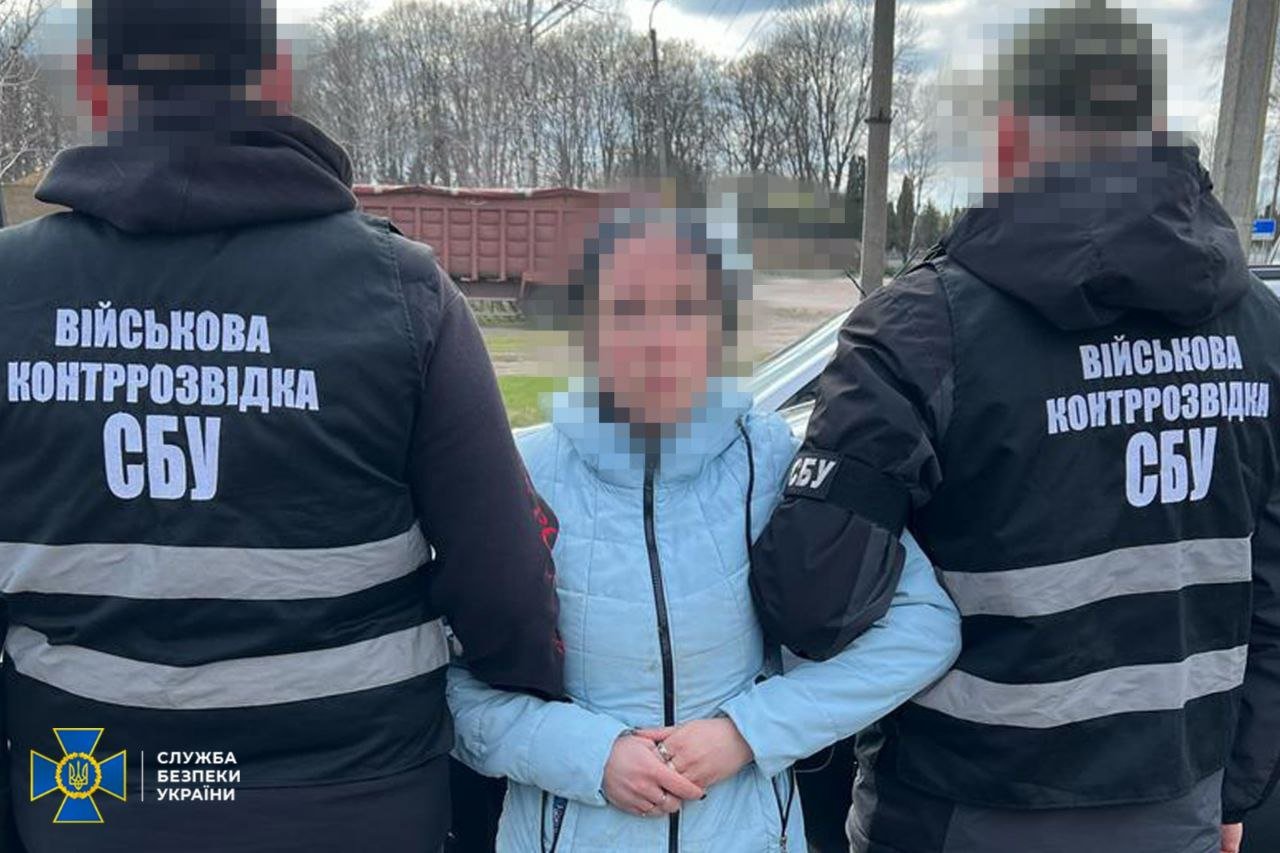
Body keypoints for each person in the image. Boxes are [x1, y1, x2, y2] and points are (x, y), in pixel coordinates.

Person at [0, 2, 563, 850]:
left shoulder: (10, 291)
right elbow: (504, 585)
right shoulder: (401, 292)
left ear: (90, 81)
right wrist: (534, 705)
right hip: (360, 799)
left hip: (88, 795)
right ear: (271, 78)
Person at [751, 3, 1280, 853]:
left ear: (1007, 139)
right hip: (1177, 809)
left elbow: (814, 601)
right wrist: (1240, 788)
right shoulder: (1259, 328)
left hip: (957, 812)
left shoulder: (921, 327)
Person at [446, 199, 961, 851]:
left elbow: (924, 627)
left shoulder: (776, 463)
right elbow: (445, 680)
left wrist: (747, 732)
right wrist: (589, 756)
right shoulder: (518, 474)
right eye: (628, 311)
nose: (658, 341)